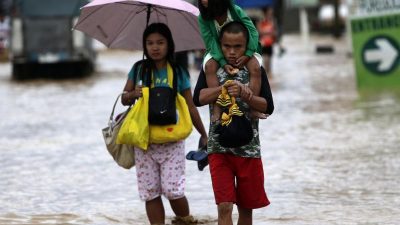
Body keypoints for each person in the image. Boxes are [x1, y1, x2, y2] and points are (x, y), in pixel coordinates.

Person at [121, 23, 208, 225]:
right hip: (144, 141)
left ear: (169, 45)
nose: (155, 47)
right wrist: (133, 93)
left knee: (173, 191)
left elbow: (190, 106)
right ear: (144, 46)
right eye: (150, 43)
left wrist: (204, 134)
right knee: (150, 192)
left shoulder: (178, 72)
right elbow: (124, 98)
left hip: (172, 141)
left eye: (160, 42)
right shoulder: (138, 70)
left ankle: (186, 221)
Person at [198, 21, 272, 225]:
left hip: (249, 149)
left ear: (247, 46)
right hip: (218, 148)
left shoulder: (255, 69)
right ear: (219, 46)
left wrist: (245, 95)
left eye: (237, 46)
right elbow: (198, 98)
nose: (231, 52)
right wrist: (223, 89)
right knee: (224, 206)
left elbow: (268, 107)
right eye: (226, 46)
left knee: (246, 211)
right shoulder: (212, 67)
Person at [198, 0, 262, 122]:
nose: (203, 0)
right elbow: (210, 41)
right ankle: (216, 108)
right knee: (210, 66)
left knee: (255, 67)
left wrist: (248, 54)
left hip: (243, 50)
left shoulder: (234, 10)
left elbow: (252, 31)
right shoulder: (203, 18)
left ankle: (254, 106)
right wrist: (222, 62)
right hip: (217, 51)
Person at [257, 6, 277, 76]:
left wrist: (273, 34)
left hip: (270, 42)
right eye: (269, 11)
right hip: (264, 42)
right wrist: (268, 31)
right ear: (265, 12)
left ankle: (269, 74)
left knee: (270, 58)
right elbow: (259, 31)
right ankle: (266, 73)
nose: (271, 13)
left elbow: (274, 32)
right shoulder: (261, 21)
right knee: (266, 59)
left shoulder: (272, 21)